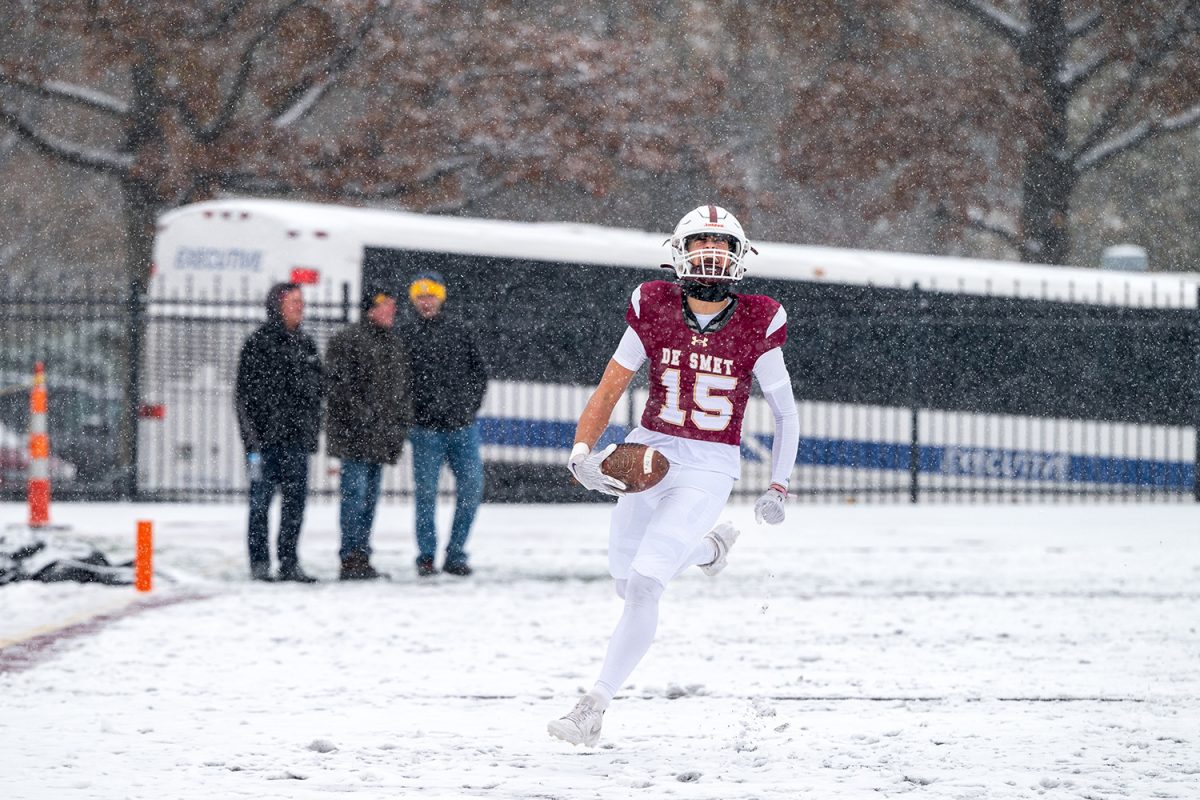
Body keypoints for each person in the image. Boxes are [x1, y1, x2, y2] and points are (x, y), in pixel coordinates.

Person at [547, 204, 800, 747]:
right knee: (624, 581)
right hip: (649, 452)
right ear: (679, 254)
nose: (711, 255)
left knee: (644, 584)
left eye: (722, 246)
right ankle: (709, 551)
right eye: (701, 245)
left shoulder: (761, 317)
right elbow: (610, 386)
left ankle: (594, 705)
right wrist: (581, 454)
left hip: (709, 463)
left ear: (739, 257)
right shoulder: (653, 305)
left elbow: (786, 412)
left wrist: (778, 483)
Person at [400, 271, 488, 577]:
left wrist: (468, 407)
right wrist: (415, 413)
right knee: (426, 495)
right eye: (421, 297)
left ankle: (456, 553)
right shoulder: (406, 335)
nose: (426, 302)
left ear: (441, 297)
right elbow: (401, 382)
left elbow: (478, 373)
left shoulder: (459, 331)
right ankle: (426, 555)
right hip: (425, 429)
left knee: (472, 488)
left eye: (431, 296)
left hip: (461, 425)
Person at [235, 282, 324, 583]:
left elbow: (317, 390)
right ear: (277, 305)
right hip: (265, 440)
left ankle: (289, 561)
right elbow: (244, 396)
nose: (300, 307)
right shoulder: (259, 343)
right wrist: (252, 440)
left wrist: (311, 428)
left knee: (295, 504)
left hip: (296, 440)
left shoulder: (307, 344)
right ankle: (260, 562)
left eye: (302, 301)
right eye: (293, 301)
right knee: (260, 503)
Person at [324, 289, 412, 581]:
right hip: (356, 438)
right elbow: (340, 389)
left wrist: (396, 425)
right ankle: (351, 556)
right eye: (386, 306)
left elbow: (400, 393)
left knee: (369, 499)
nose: (391, 311)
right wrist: (365, 418)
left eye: (392, 306)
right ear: (370, 309)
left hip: (379, 438)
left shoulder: (393, 344)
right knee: (355, 497)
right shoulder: (348, 341)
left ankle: (361, 555)